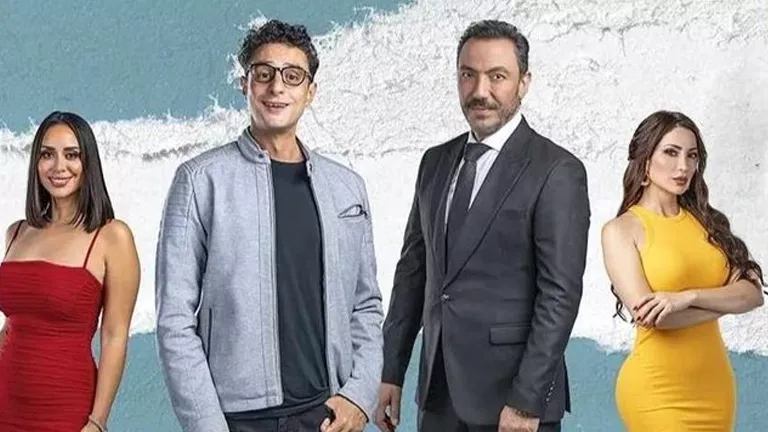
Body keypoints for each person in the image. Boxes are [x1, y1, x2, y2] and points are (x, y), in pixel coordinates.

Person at [155, 19, 384, 432]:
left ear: (310, 91)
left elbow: (365, 305)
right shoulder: (200, 181)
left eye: (292, 76)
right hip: (238, 420)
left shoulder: (347, 187)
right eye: (264, 74)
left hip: (327, 413)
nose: (277, 87)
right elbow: (174, 317)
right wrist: (207, 425)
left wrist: (360, 395)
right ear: (245, 84)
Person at [375, 20, 590, 432]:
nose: (480, 90)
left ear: (524, 82)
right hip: (438, 396)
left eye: (497, 76)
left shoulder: (557, 170)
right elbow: (413, 273)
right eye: (468, 74)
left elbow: (560, 295)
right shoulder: (435, 162)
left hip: (513, 401)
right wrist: (391, 370)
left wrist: (526, 402)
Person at [600, 110, 765, 431]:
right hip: (657, 390)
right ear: (645, 159)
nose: (683, 167)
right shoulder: (621, 230)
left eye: (692, 156)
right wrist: (725, 303)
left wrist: (686, 298)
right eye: (671, 152)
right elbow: (654, 318)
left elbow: (753, 294)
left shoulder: (710, 224)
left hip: (715, 386)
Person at [0, 111, 141, 432]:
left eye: (72, 155)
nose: (58, 166)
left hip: (66, 409)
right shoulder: (17, 232)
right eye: (47, 154)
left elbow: (114, 335)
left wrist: (97, 421)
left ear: (87, 162)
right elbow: (13, 326)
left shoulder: (112, 236)